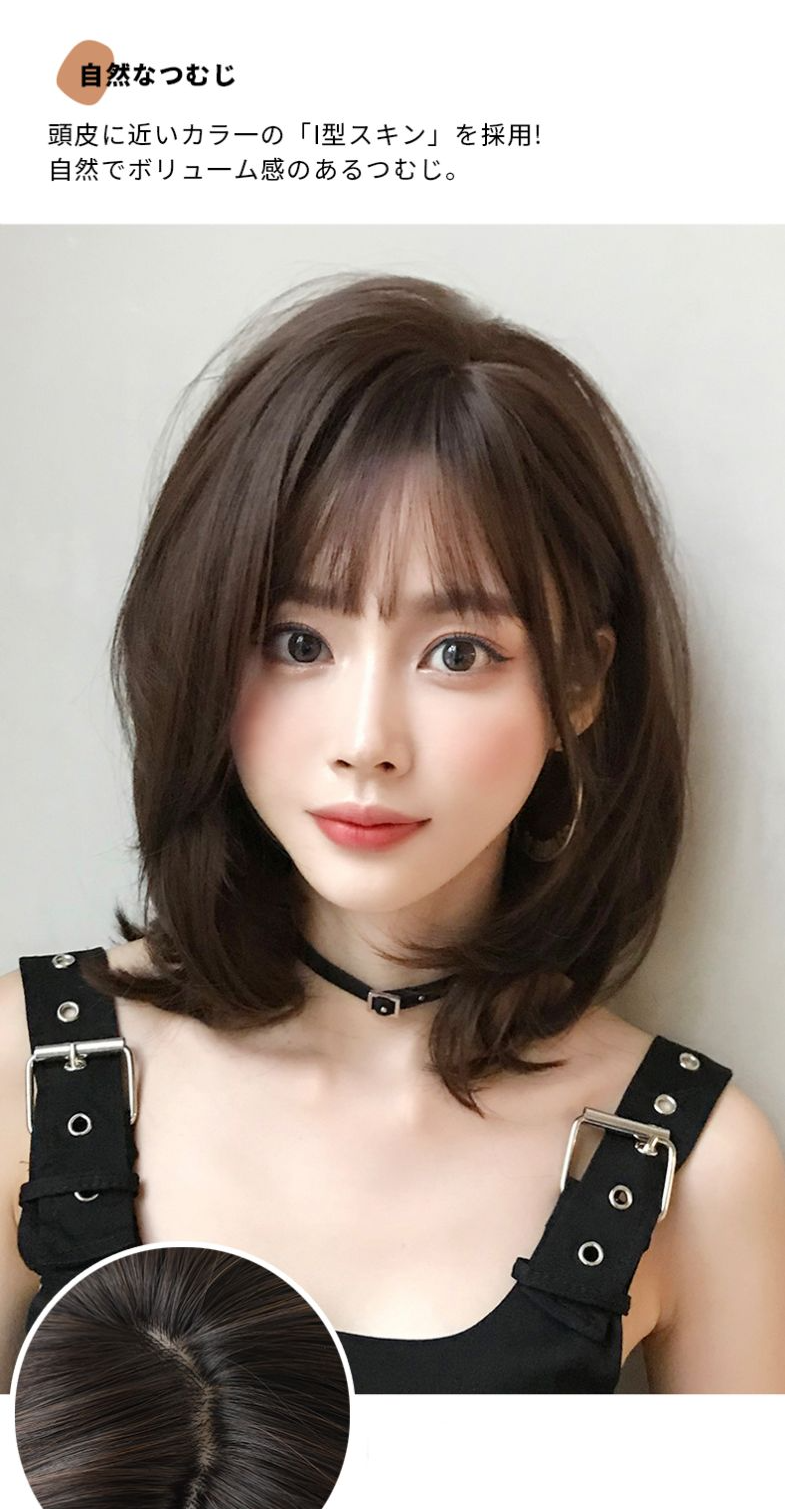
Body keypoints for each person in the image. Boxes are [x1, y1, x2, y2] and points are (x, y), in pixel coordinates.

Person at [2, 273, 784, 1394]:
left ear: (577, 684)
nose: (366, 740)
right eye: (297, 641)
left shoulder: (693, 1167)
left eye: (457, 652)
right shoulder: (27, 1071)